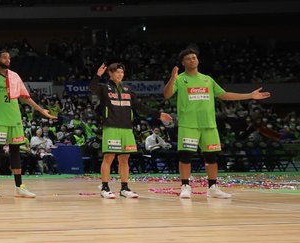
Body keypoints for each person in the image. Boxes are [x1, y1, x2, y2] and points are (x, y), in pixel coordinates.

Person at [164, 47, 271, 199]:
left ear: (198, 60)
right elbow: (167, 95)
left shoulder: (208, 79)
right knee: (185, 156)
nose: (191, 60)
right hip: (188, 124)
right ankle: (185, 186)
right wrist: (172, 78)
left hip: (209, 124)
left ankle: (213, 187)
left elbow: (224, 95)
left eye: (194, 57)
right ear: (183, 63)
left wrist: (250, 95)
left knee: (212, 157)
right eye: (188, 59)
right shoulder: (180, 79)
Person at [0, 29, 56, 200]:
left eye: (9, 58)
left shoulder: (15, 76)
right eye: (4, 58)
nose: (7, 60)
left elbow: (25, 98)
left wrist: (41, 111)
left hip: (15, 120)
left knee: (16, 153)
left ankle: (20, 187)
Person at [90, 62, 173, 199]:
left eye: (122, 72)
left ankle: (124, 188)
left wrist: (159, 114)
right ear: (110, 73)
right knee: (109, 157)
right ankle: (105, 188)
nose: (120, 74)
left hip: (127, 129)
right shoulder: (104, 89)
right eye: (117, 72)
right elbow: (92, 87)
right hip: (111, 128)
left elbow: (141, 108)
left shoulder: (128, 90)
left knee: (125, 158)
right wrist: (97, 75)